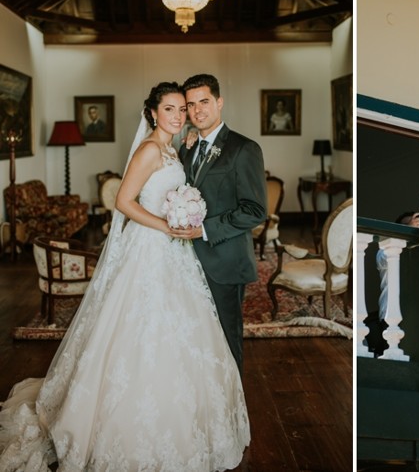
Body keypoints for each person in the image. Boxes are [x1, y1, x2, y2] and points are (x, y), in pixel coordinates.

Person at [0, 82, 250, 470]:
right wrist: (166, 225)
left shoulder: (174, 147)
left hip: (175, 254)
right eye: (170, 109)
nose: (179, 115)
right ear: (152, 113)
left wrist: (182, 217)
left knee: (183, 331)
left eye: (181, 109)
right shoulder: (150, 149)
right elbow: (124, 201)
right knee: (139, 331)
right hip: (150, 250)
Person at [177, 73, 267, 373]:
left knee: (226, 340)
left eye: (204, 102)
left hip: (224, 262)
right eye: (190, 105)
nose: (198, 110)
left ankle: (232, 407)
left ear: (219, 102)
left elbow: (255, 210)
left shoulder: (244, 149)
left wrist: (204, 229)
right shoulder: (187, 147)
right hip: (186, 261)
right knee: (195, 336)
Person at [367, 211, 419, 356]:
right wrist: (409, 233)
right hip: (392, 317)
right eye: (407, 225)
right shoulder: (385, 252)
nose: (415, 226)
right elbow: (388, 257)